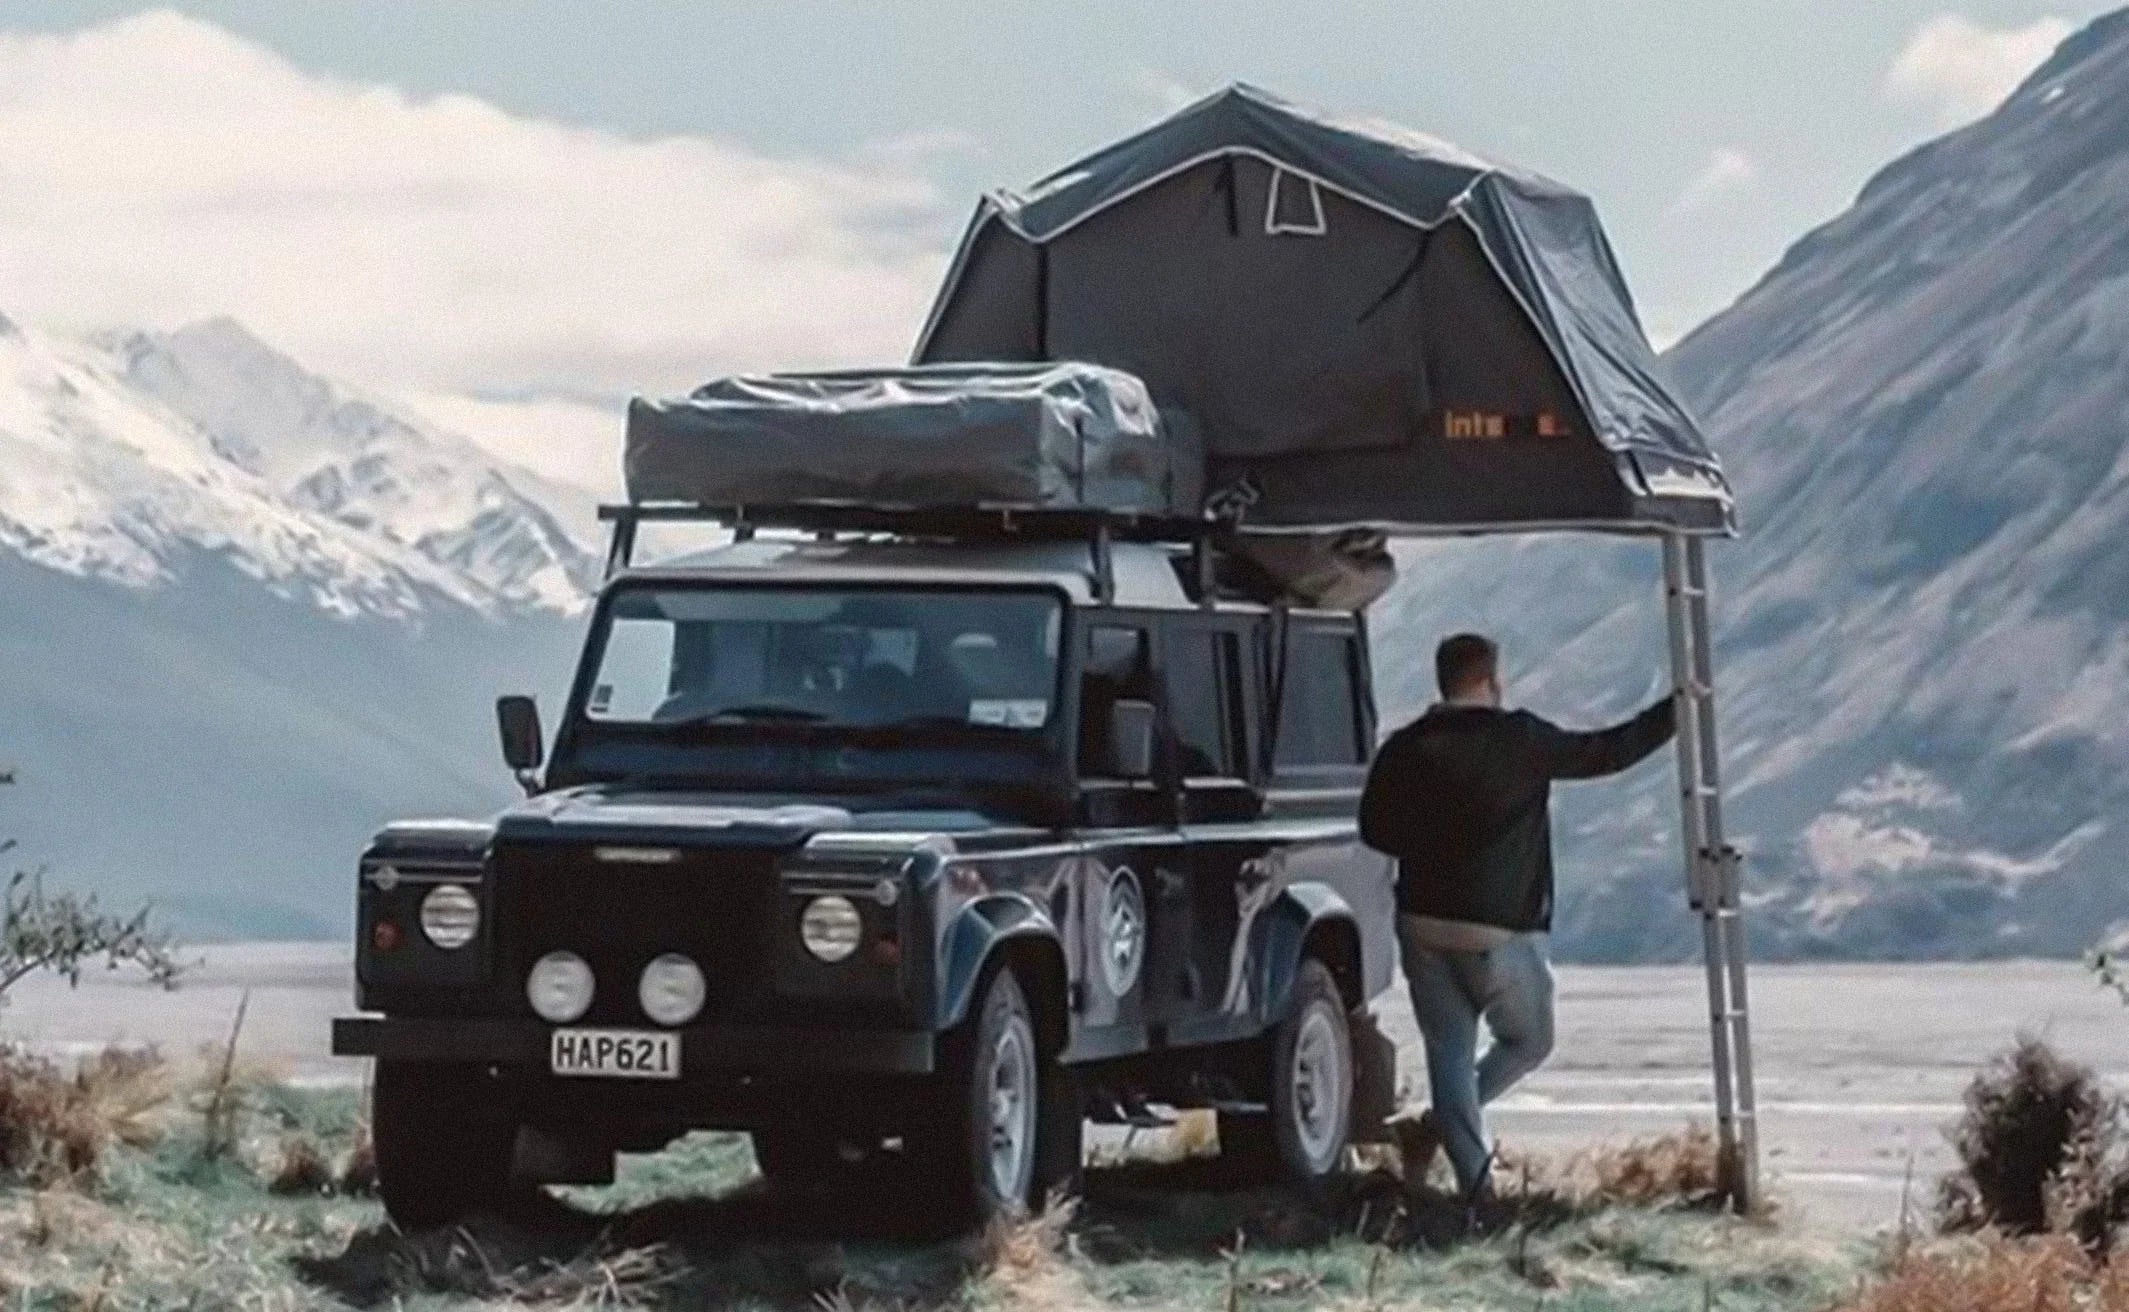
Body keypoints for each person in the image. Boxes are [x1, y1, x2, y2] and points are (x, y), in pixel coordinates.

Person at [1359, 633, 1676, 1209]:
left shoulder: (1405, 747)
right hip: (1501, 929)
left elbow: (1374, 830)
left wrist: (1431, 842)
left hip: (1423, 925)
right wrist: (1674, 714)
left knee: (1448, 1050)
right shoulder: (1519, 740)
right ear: (1491, 680)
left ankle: (1474, 1186)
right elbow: (1604, 752)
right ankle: (1439, 1132)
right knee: (1529, 1041)